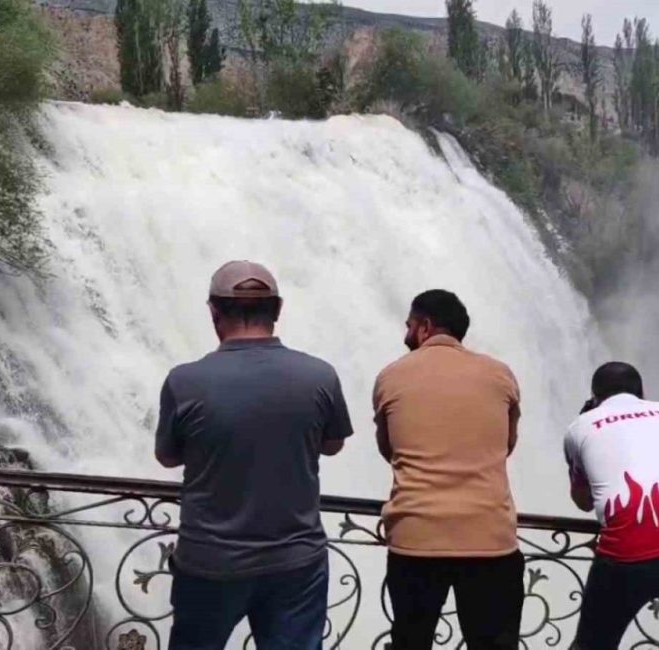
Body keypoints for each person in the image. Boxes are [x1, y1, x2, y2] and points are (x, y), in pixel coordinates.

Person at [155, 260, 353, 649]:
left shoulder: (184, 381)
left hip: (209, 560)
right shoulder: (320, 376)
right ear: (278, 310)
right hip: (297, 561)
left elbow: (168, 457)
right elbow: (333, 444)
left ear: (213, 311)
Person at [373, 290, 524, 650]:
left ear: (425, 327)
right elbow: (506, 445)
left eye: (409, 325)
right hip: (490, 539)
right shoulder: (500, 374)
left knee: (411, 641)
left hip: (415, 539)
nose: (405, 334)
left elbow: (389, 449)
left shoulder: (391, 376)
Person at [564, 362, 659, 650]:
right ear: (642, 393)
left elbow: (583, 502)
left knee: (593, 644)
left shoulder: (580, 425)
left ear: (595, 397)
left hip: (629, 550)